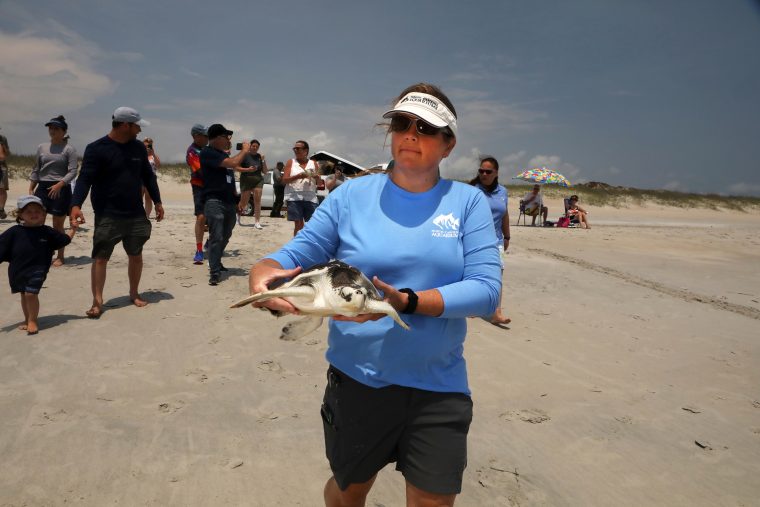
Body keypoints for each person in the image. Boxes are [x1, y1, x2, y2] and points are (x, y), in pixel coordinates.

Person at [247, 83, 500, 506]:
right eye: (402, 124)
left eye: (426, 127)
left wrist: (407, 301)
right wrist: (263, 277)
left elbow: (486, 291)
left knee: (433, 502)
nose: (410, 134)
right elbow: (292, 255)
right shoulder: (350, 196)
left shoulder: (468, 202)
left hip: (439, 384)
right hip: (358, 381)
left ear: (448, 143)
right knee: (350, 490)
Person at [70, 106, 164, 319]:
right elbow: (85, 179)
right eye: (137, 125)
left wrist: (157, 201)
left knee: (136, 255)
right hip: (107, 213)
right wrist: (75, 204)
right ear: (125, 125)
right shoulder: (96, 149)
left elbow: (148, 177)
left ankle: (134, 293)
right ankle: (97, 301)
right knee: (101, 258)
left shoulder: (139, 148)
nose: (139, 129)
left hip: (135, 213)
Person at [0, 195, 75, 334]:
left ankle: (33, 320)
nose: (34, 214)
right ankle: (28, 318)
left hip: (38, 269)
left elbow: (63, 240)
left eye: (37, 211)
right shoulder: (14, 232)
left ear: (43, 213)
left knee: (30, 293)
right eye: (29, 211)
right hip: (18, 270)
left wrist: (73, 229)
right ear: (20, 214)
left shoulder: (47, 231)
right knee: (24, 294)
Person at [200, 124, 249, 286]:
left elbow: (229, 183)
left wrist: (237, 202)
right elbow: (233, 163)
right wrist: (244, 150)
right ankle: (214, 272)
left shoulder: (222, 155)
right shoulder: (208, 153)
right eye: (226, 137)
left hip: (228, 202)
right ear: (217, 137)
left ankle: (217, 261)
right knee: (217, 236)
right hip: (214, 201)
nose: (229, 140)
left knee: (226, 235)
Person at [28, 115, 78, 266]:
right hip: (43, 187)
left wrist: (60, 184)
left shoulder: (69, 149)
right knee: (37, 222)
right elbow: (36, 168)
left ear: (64, 131)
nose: (52, 131)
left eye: (56, 128)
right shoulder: (41, 147)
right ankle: (40, 253)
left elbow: (73, 171)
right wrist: (31, 187)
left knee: (58, 224)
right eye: (50, 128)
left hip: (60, 188)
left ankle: (60, 256)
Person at [470, 156, 511, 325]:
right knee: (473, 273)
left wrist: (507, 235)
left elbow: (505, 214)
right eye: (481, 171)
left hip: (496, 240)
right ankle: (471, 305)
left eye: (488, 171)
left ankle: (496, 311)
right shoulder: (472, 189)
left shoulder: (503, 192)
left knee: (497, 274)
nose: (484, 174)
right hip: (473, 238)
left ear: (496, 173)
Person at [281, 140, 322, 236]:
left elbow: (319, 183)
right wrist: (298, 176)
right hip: (294, 196)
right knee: (298, 224)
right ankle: (297, 246)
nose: (295, 150)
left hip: (310, 197)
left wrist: (316, 177)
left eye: (298, 148)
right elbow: (284, 180)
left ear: (306, 151)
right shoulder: (291, 162)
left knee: (313, 224)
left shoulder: (314, 163)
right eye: (294, 148)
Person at [187, 124, 209, 264]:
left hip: (213, 187)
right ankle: (199, 249)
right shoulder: (192, 151)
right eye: (205, 135)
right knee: (201, 217)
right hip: (200, 187)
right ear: (196, 136)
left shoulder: (208, 149)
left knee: (216, 217)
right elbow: (200, 171)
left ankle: (211, 241)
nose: (207, 138)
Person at [236, 139, 268, 229]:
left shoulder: (259, 157)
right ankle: (237, 216)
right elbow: (236, 168)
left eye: (257, 147)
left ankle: (257, 222)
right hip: (246, 180)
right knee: (244, 202)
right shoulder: (244, 155)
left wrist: (263, 161)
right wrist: (248, 169)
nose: (255, 148)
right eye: (253, 146)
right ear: (250, 146)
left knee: (257, 200)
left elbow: (265, 171)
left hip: (258, 180)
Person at [142, 137, 161, 218]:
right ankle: (138, 214)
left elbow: (158, 165)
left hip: (151, 178)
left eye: (149, 145)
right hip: (140, 177)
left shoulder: (154, 156)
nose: (147, 147)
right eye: (146, 145)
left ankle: (146, 215)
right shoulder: (140, 155)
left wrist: (152, 154)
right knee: (138, 197)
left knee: (148, 197)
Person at [0, 129, 10, 220]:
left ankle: (1, 209)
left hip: (2, 165)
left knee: (2, 188)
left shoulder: (3, 139)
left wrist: (3, 146)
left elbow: (7, 153)